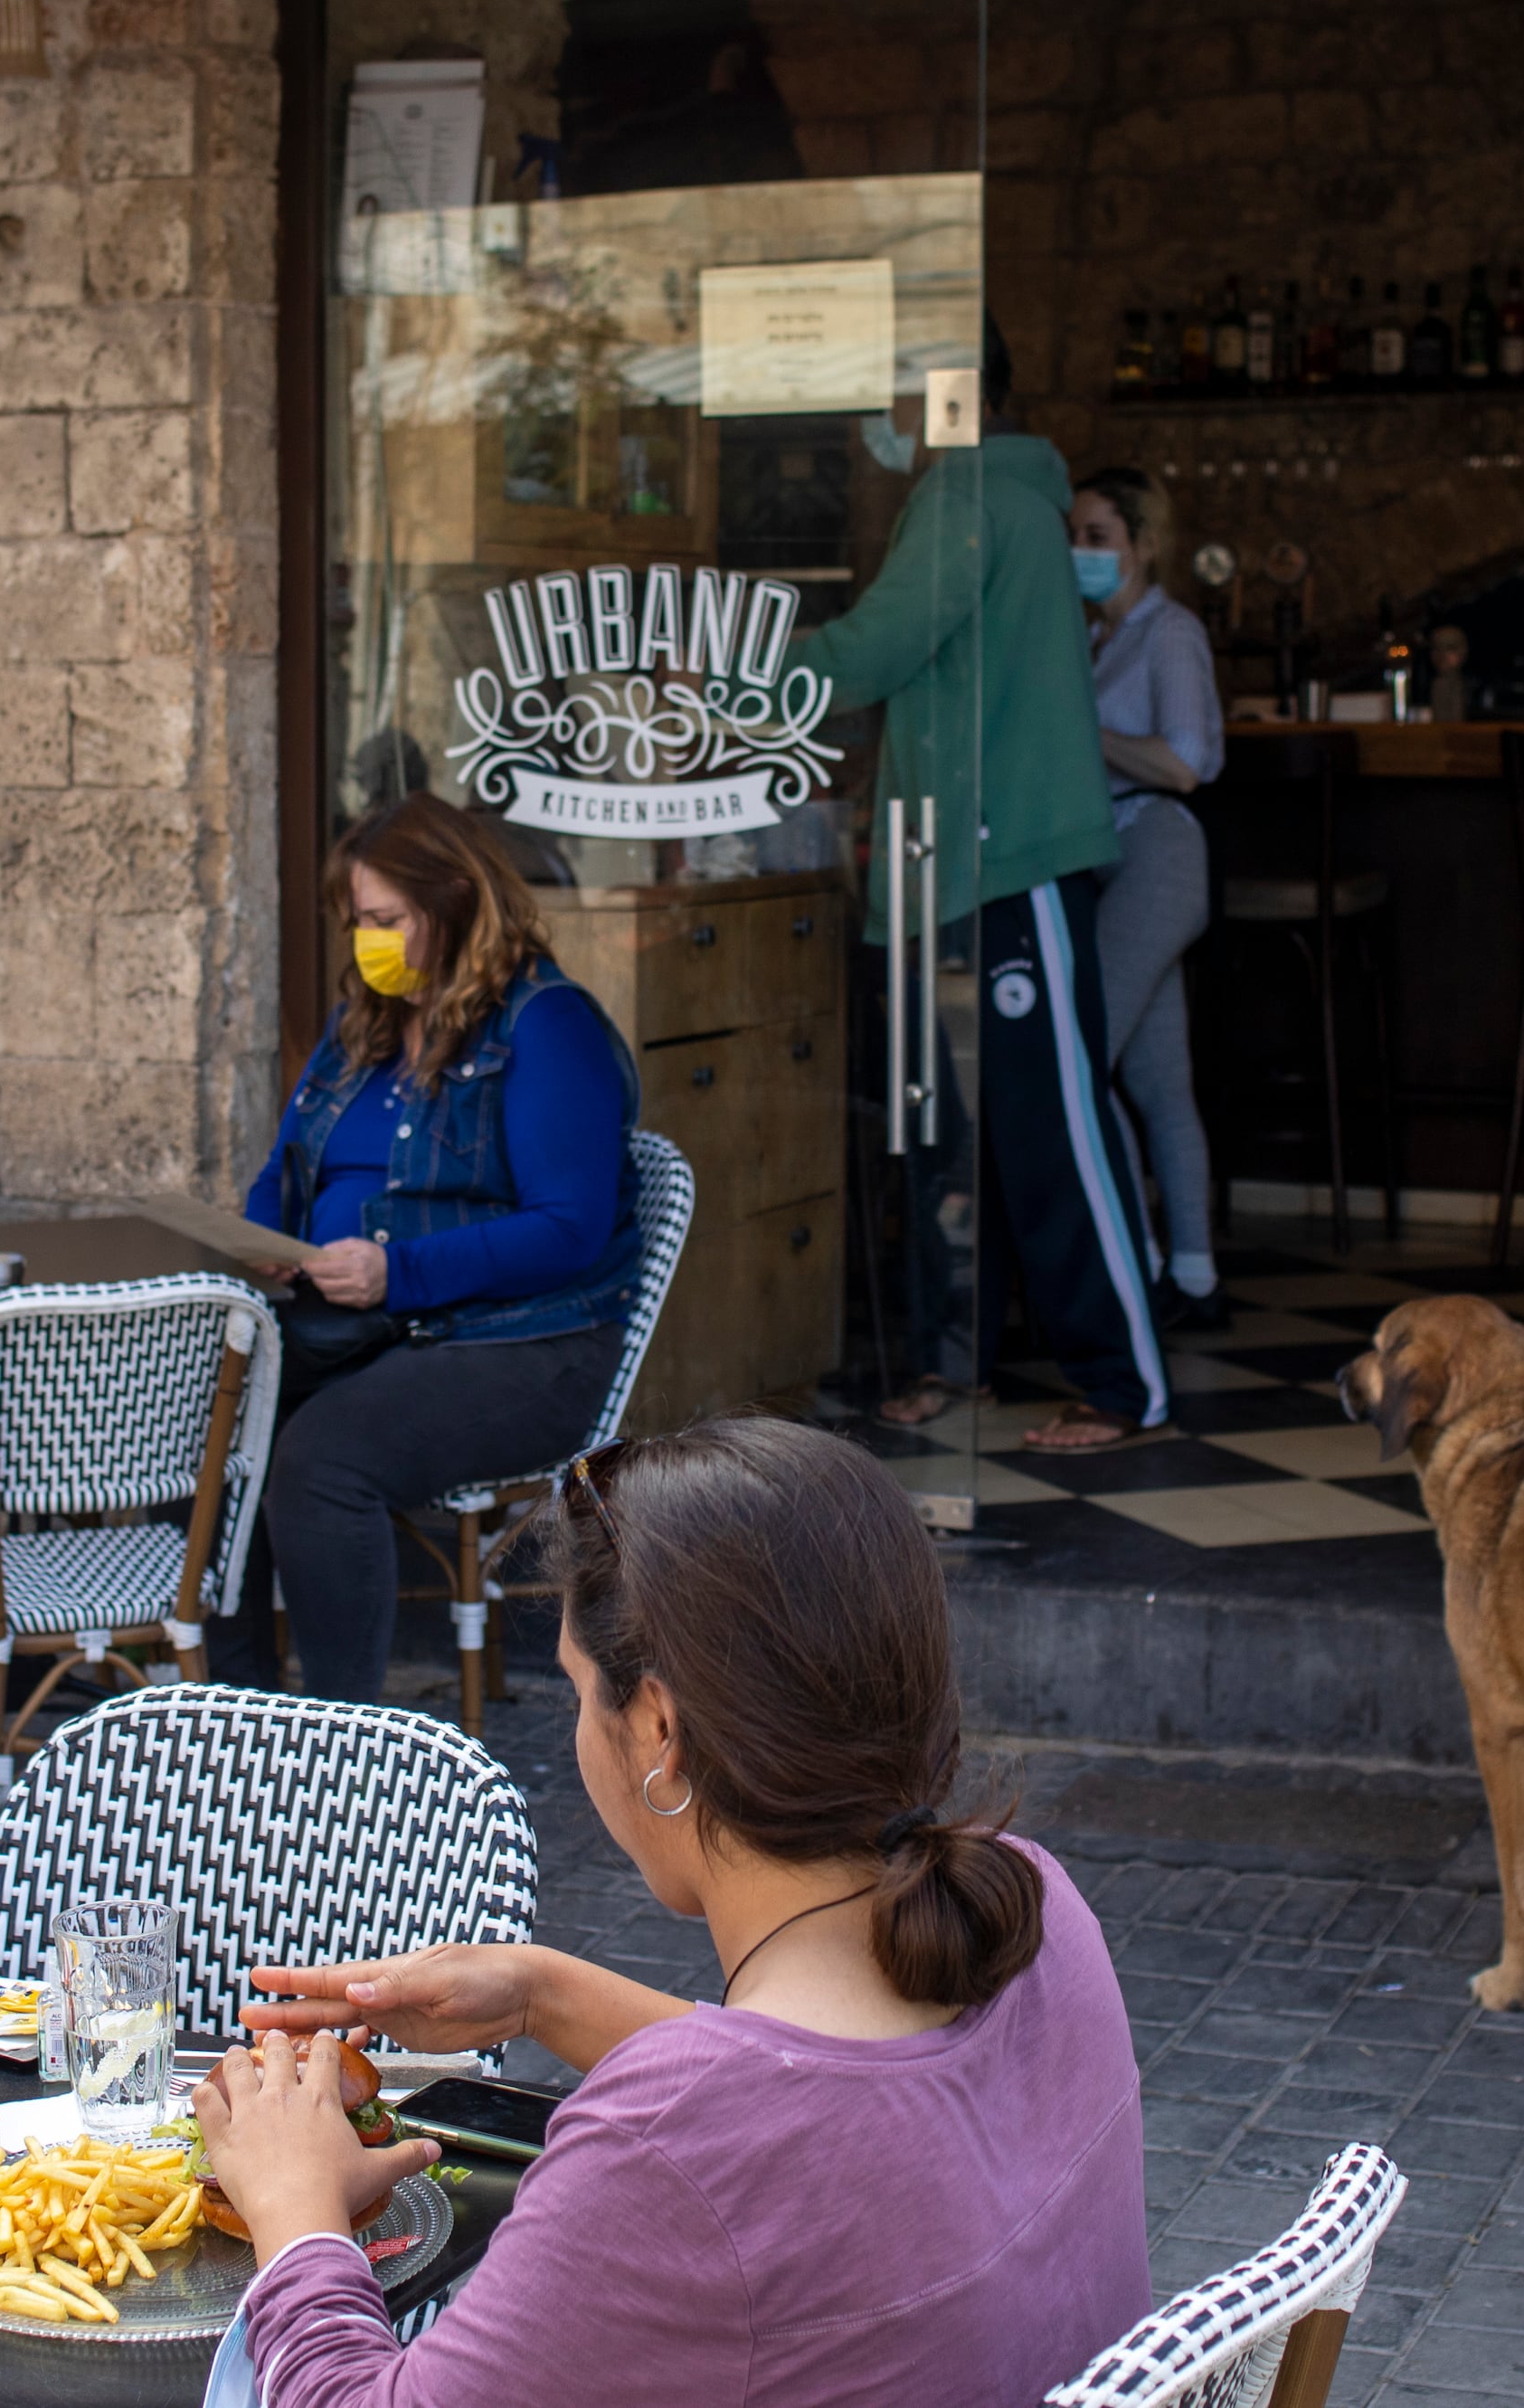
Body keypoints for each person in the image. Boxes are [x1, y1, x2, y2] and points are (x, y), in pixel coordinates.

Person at [197, 1419, 1150, 2403]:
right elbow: (827, 2101)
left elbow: (742, 2126)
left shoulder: (669, 2146)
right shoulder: (1033, 1911)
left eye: (576, 1691)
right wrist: (541, 1993)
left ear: (658, 1732)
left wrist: (295, 2209)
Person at [790, 345, 1167, 1452]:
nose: (880, 413)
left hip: (1002, 863)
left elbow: (869, 654)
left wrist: (721, 672)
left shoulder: (973, 498)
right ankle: (958, 1362)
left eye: (893, 388)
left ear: (947, 389)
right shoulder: (991, 497)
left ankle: (1121, 1383)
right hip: (944, 862)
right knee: (955, 1138)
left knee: (1048, 1130)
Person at [234, 794, 640, 1705]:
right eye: (358, 923)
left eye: (386, 921)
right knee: (211, 1425)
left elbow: (567, 1228)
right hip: (369, 1324)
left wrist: (396, 1269)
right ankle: (236, 1715)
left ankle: (347, 1746)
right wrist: (269, 1236)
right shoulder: (364, 1026)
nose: (367, 942)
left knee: (318, 1461)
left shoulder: (545, 1025)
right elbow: (286, 1166)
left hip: (523, 1342)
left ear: (454, 901)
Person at [1071, 466, 1226, 1326]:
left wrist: (1083, 731)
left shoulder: (1171, 634)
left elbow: (1185, 762)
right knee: (1160, 1079)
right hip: (1114, 858)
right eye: (1077, 537)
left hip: (1157, 848)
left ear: (1144, 543)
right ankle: (1194, 1280)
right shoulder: (1098, 639)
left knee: (1082, 1064)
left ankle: (1141, 1258)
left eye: (1098, 538)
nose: (1080, 553)